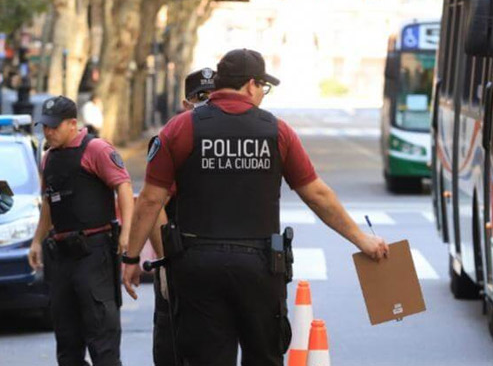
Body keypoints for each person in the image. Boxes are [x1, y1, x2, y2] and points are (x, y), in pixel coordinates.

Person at [122, 49, 388, 366]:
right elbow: (317, 194)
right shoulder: (276, 131)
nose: (263, 93)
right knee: (263, 356)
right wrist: (363, 240)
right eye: (263, 86)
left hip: (197, 267)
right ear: (251, 85)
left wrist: (132, 257)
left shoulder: (182, 129)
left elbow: (151, 199)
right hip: (260, 268)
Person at [27, 95, 134, 366]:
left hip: (93, 253)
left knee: (103, 342)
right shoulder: (48, 158)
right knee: (67, 343)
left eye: (54, 126)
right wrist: (37, 241)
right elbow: (49, 205)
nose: (48, 132)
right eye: (44, 127)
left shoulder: (95, 149)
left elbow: (123, 186)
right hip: (61, 256)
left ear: (73, 124)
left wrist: (126, 234)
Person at [148, 67, 216, 366]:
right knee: (173, 345)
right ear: (187, 101)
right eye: (199, 96)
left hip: (218, 257)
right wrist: (164, 264)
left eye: (211, 95)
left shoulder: (234, 135)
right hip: (180, 255)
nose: (206, 101)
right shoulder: (174, 136)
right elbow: (153, 205)